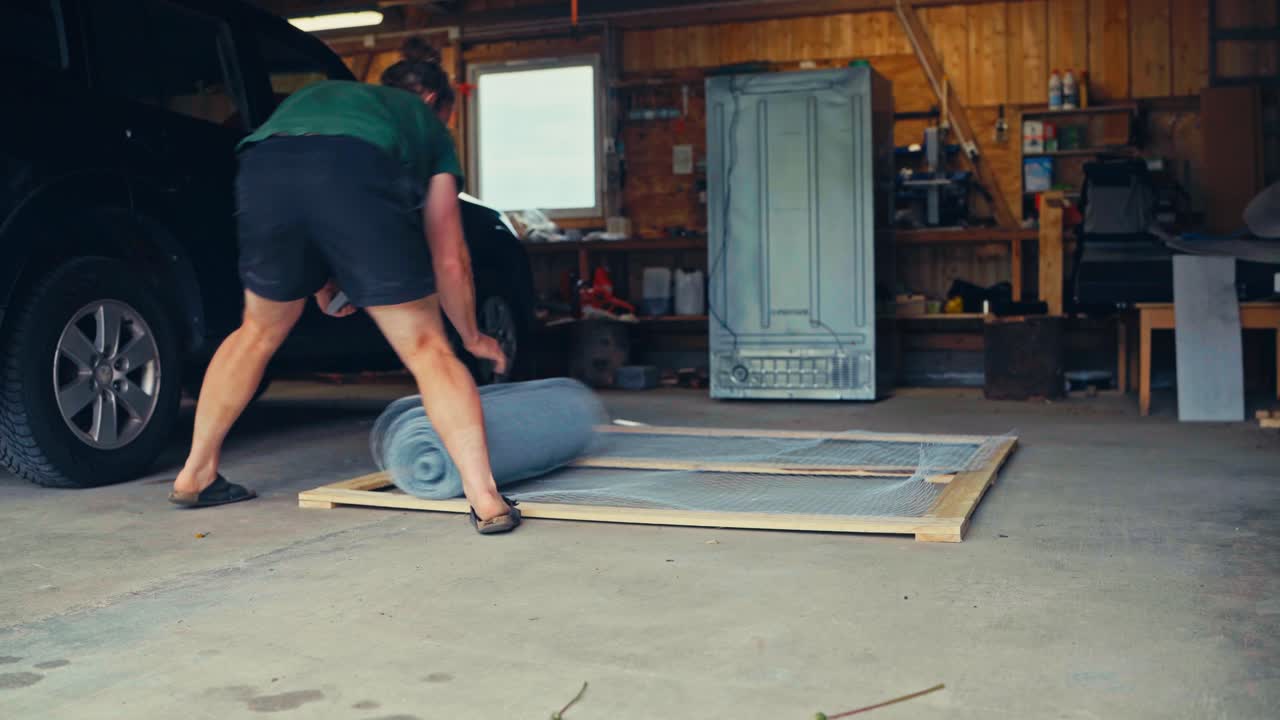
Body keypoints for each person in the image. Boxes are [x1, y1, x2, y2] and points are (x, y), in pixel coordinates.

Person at [168, 45, 521, 534]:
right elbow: (449, 255)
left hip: (263, 168)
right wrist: (472, 336)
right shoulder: (427, 125)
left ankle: (194, 473)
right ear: (440, 101)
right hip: (356, 166)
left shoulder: (327, 96)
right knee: (426, 347)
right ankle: (485, 498)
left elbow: (311, 191)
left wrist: (330, 279)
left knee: (255, 332)